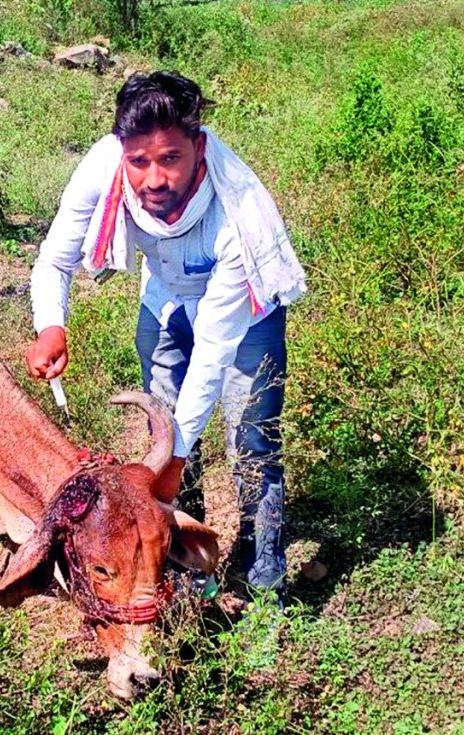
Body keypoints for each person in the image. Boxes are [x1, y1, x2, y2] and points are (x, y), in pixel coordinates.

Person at [24, 71, 306, 599]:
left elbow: (215, 352)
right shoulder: (104, 168)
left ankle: (262, 585)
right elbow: (54, 260)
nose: (154, 179)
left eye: (170, 159)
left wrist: (172, 457)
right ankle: (185, 562)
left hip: (244, 312)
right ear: (121, 152)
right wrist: (51, 325)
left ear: (198, 149)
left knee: (251, 440)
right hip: (167, 301)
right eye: (139, 162)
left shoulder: (237, 213)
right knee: (165, 431)